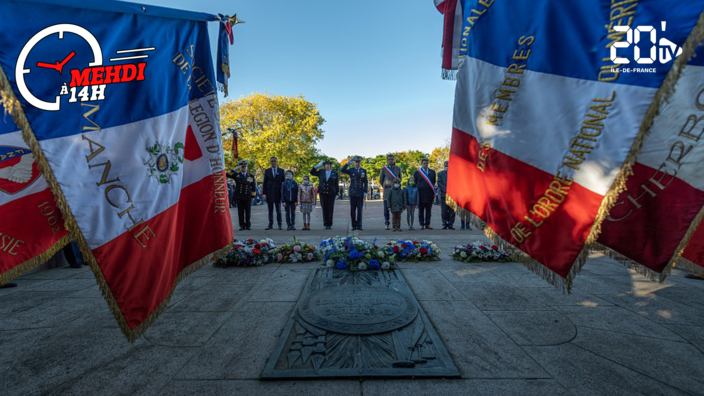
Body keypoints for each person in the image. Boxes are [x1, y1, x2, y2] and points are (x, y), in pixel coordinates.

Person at [227, 160, 256, 231]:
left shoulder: (251, 176)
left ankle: (248, 225)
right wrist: (235, 168)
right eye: (242, 167)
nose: (243, 168)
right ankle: (242, 225)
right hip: (239, 196)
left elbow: (253, 187)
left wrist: (253, 196)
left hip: (247, 196)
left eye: (245, 167)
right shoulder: (237, 175)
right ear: (240, 167)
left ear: (247, 167)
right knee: (240, 212)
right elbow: (227, 175)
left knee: (248, 212)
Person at [341, 156, 368, 231]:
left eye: (358, 162)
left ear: (360, 163)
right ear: (354, 163)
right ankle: (354, 225)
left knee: (359, 210)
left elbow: (365, 181)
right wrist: (348, 163)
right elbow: (342, 170)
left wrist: (365, 191)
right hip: (353, 192)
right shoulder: (351, 170)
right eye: (356, 162)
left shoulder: (363, 170)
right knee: (353, 210)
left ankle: (359, 225)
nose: (357, 163)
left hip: (360, 192)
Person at [310, 159, 339, 229]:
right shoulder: (321, 172)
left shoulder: (334, 173)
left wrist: (337, 193)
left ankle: (329, 224)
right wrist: (317, 166)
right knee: (324, 208)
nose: (327, 166)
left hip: (331, 192)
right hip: (323, 192)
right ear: (324, 166)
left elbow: (336, 183)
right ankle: (325, 223)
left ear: (330, 165)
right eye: (326, 164)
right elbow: (312, 172)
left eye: (328, 164)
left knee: (330, 208)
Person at [378, 154, 402, 231]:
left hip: (396, 192)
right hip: (387, 191)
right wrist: (386, 185)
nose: (391, 161)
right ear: (387, 160)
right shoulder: (384, 169)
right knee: (386, 208)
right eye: (389, 159)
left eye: (392, 159)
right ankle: (387, 223)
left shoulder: (398, 168)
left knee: (396, 209)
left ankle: (396, 224)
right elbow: (381, 180)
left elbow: (400, 179)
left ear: (394, 160)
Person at [413, 158, 436, 230]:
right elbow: (415, 182)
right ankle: (421, 224)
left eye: (427, 163)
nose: (426, 164)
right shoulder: (417, 173)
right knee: (421, 211)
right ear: (421, 164)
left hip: (429, 194)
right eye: (424, 163)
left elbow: (433, 182)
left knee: (429, 210)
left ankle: (428, 224)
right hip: (421, 194)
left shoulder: (432, 172)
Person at [263, 157, 285, 230]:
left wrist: (283, 193)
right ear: (270, 162)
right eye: (272, 161)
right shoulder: (267, 171)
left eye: (274, 161)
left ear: (277, 162)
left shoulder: (281, 171)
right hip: (269, 193)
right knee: (270, 210)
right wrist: (264, 193)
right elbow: (265, 182)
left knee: (278, 210)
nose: (273, 162)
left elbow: (283, 182)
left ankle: (280, 224)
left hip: (278, 193)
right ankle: (270, 224)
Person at [437, 160, 456, 230]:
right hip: (444, 195)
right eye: (445, 166)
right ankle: (444, 224)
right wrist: (446, 190)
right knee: (444, 211)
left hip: (452, 195)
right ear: (443, 166)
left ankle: (450, 224)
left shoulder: (454, 173)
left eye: (448, 166)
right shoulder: (440, 174)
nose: (447, 167)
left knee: (452, 210)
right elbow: (439, 183)